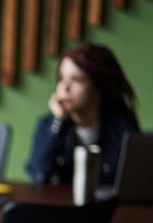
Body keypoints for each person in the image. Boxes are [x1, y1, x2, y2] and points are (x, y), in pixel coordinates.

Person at [26, 43, 139, 186]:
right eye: (61, 78)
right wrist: (58, 121)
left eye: (76, 80)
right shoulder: (50, 125)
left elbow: (132, 182)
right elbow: (38, 174)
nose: (64, 88)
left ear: (97, 87)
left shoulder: (122, 128)